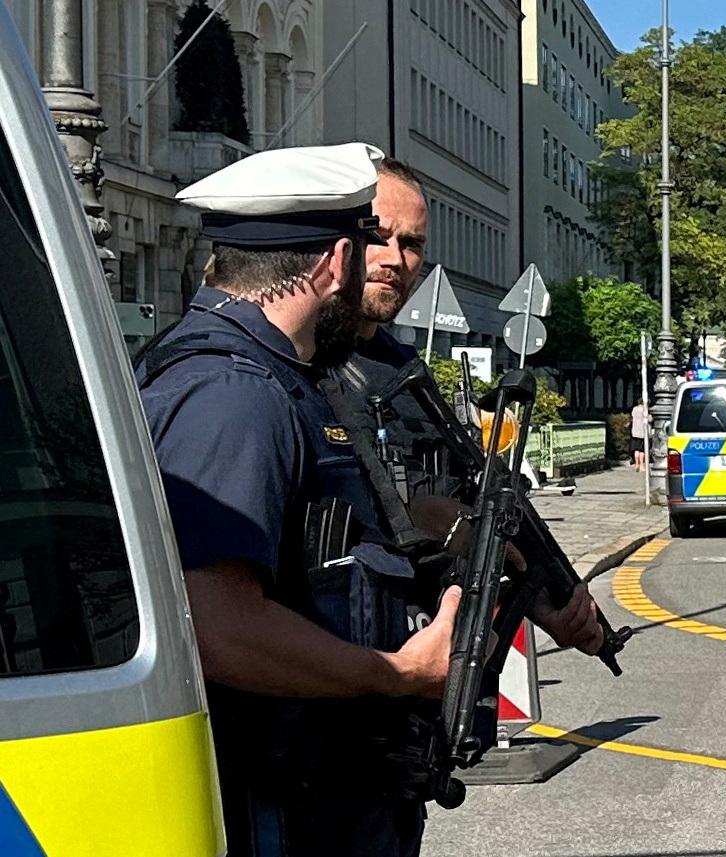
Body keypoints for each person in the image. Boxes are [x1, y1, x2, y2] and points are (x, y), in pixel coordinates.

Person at [135, 142, 450, 856]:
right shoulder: (236, 392)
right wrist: (400, 674)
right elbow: (221, 625)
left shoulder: (277, 376)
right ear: (335, 262)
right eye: (372, 246)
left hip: (318, 788)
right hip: (284, 803)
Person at [351, 157, 601, 649]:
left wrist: (540, 601)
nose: (395, 259)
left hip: (433, 677)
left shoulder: (402, 366)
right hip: (358, 667)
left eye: (413, 244)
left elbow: (465, 499)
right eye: (378, 236)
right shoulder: (292, 367)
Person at [630, 397, 648, 471]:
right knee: (642, 450)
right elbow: (649, 419)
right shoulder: (645, 409)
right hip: (643, 432)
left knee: (636, 449)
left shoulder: (634, 409)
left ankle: (636, 464)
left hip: (635, 431)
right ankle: (641, 465)